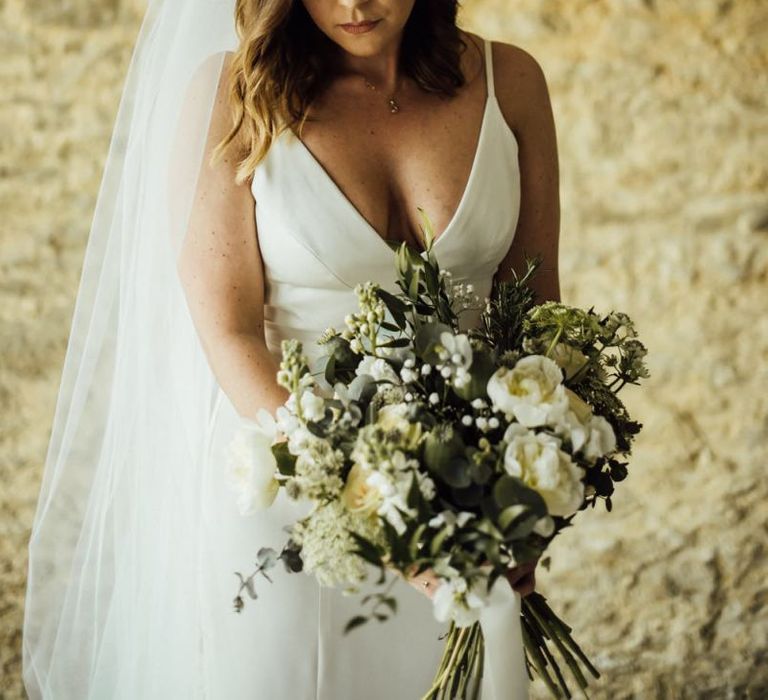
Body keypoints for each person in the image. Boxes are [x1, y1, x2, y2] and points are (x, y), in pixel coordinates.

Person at [22, 1, 559, 698]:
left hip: (466, 495)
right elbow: (227, 329)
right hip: (290, 492)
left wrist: (533, 495)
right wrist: (373, 506)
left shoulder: (510, 81)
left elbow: (536, 309)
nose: (355, 5)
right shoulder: (234, 93)